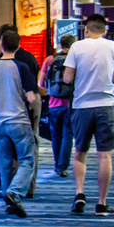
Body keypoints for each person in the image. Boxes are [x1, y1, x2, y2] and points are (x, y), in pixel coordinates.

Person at [63, 13, 114, 216]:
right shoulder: (112, 46)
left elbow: (67, 78)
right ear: (105, 30)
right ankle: (101, 202)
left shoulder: (77, 47)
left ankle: (79, 193)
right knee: (104, 155)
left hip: (82, 105)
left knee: (80, 153)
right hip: (106, 105)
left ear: (86, 29)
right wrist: (108, 79)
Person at [0, 30, 37, 218]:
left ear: (1, 44)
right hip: (18, 120)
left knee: (4, 163)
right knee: (27, 159)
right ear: (19, 44)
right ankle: (15, 191)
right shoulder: (21, 66)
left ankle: (9, 201)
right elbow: (31, 97)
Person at [38, 34, 76, 177]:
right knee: (67, 134)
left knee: (55, 135)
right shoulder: (74, 59)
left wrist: (50, 90)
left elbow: (40, 83)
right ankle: (62, 166)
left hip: (53, 103)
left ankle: (56, 163)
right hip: (69, 103)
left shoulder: (50, 59)